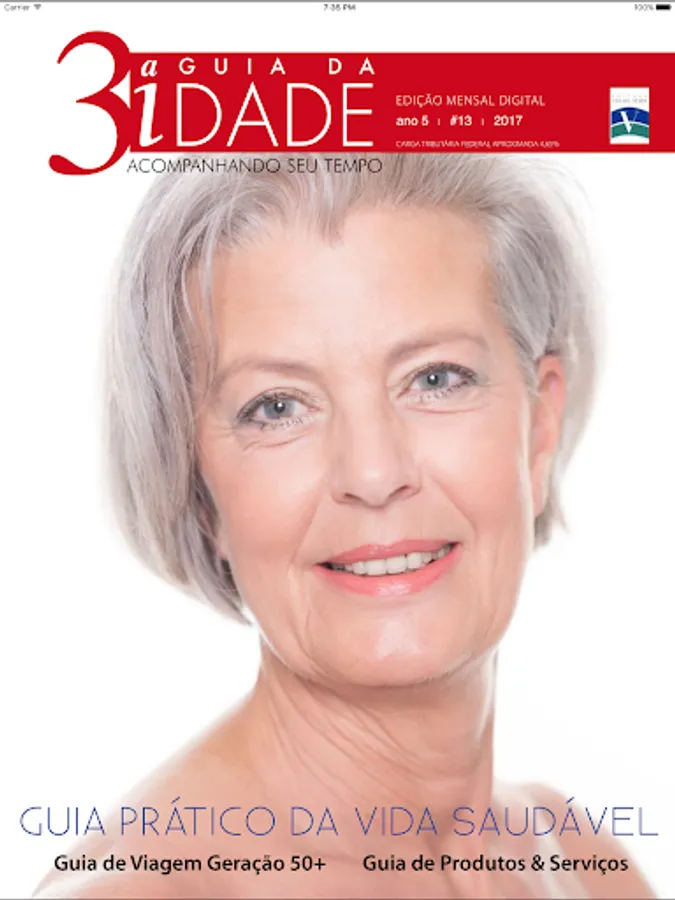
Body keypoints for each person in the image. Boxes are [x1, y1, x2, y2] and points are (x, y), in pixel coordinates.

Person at [34, 153, 654, 899]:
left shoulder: (587, 865)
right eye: (277, 407)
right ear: (198, 490)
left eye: (435, 378)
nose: (373, 472)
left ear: (538, 427)